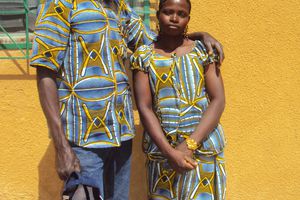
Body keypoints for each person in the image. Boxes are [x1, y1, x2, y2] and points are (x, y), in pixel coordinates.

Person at [30, 0, 225, 199]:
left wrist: (200, 36)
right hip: (84, 138)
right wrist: (61, 146)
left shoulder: (119, 6)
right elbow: (45, 71)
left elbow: (159, 39)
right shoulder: (59, 4)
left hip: (121, 134)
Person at [131, 0, 226, 199]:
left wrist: (189, 145)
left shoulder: (203, 51)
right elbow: (144, 107)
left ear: (188, 19)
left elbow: (218, 100)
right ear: (158, 15)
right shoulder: (144, 56)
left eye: (181, 14)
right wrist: (170, 152)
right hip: (162, 155)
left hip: (203, 152)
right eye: (168, 12)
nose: (174, 18)